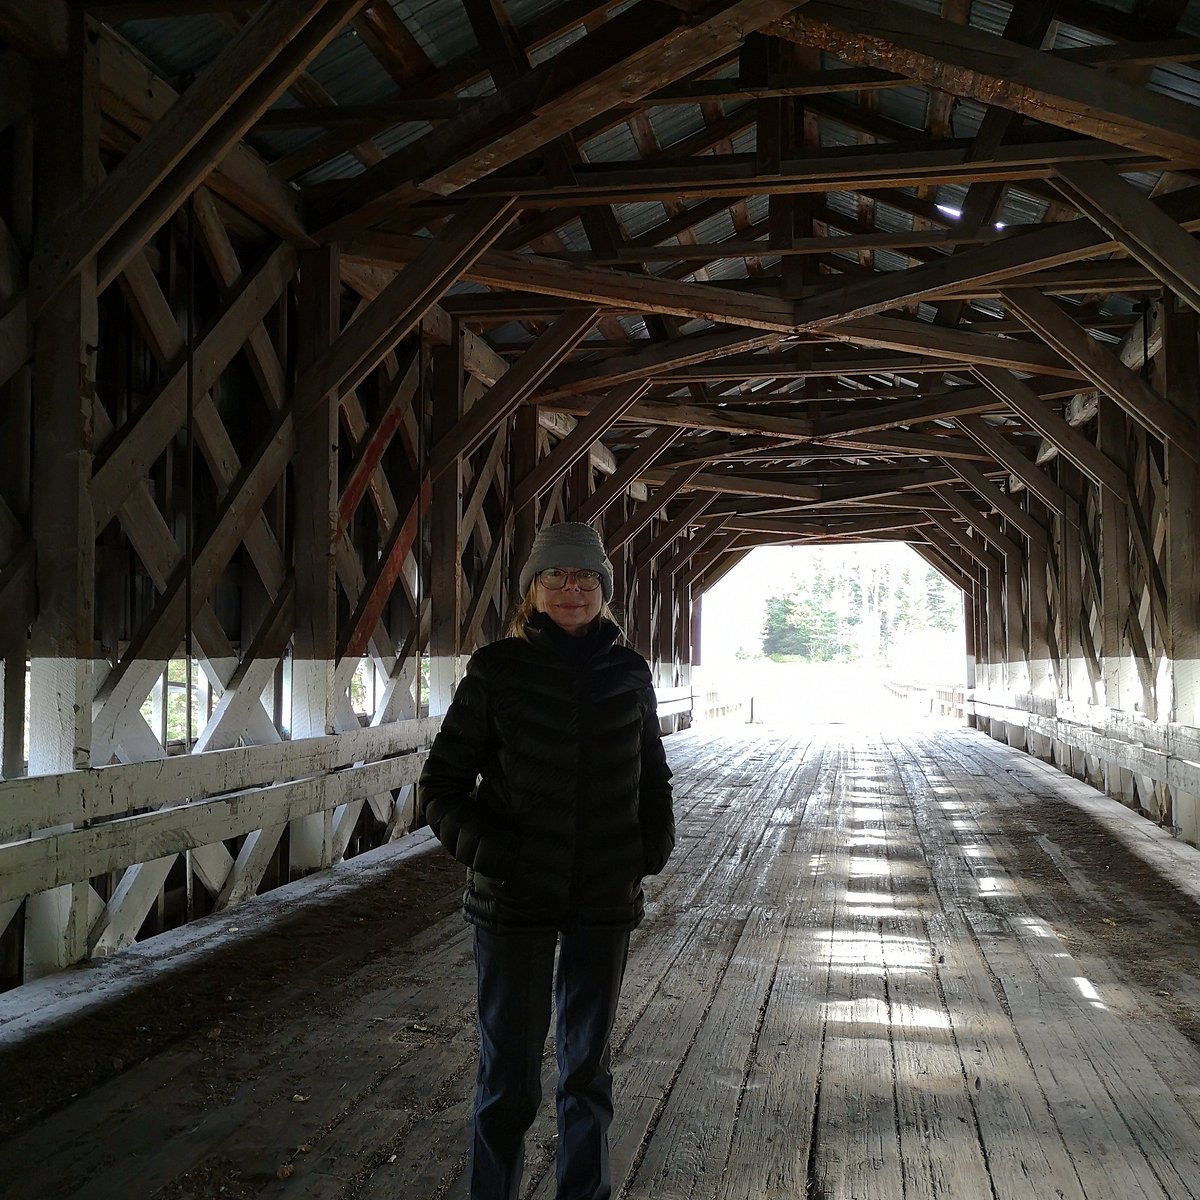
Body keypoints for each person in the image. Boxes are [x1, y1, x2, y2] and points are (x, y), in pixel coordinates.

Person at [418, 521, 675, 1200]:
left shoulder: (629, 672)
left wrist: (651, 848)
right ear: (532, 591)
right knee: (508, 1081)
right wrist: (497, 854)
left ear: (604, 592)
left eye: (585, 578)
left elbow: (653, 773)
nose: (572, 589)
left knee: (587, 1073)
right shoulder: (497, 671)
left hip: (602, 901)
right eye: (556, 577)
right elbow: (440, 788)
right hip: (514, 902)